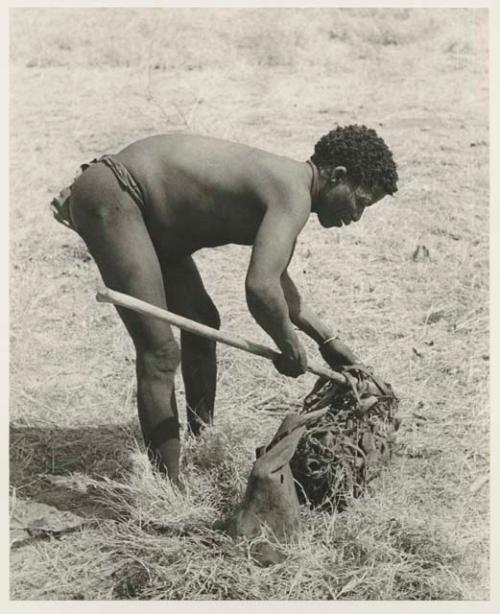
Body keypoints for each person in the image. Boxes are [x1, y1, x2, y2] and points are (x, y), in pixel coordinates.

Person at [51, 125, 398, 487]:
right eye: (360, 201)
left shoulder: (293, 191)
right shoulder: (292, 194)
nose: (357, 217)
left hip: (154, 218)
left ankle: (204, 443)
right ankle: (167, 491)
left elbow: (278, 282)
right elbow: (260, 289)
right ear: (337, 176)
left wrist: (328, 342)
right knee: (160, 352)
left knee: (203, 321)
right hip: (119, 193)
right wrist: (288, 344)